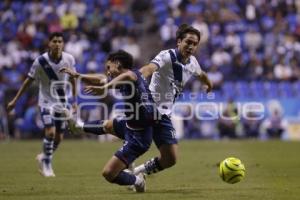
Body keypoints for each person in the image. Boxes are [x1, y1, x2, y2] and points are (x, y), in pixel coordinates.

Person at [60, 50, 155, 192]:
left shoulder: (132, 75)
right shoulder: (125, 78)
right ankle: (78, 127)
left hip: (139, 138)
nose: (108, 72)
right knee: (108, 124)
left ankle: (137, 180)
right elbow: (100, 79)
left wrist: (104, 88)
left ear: (117, 64)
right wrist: (78, 75)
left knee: (109, 173)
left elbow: (123, 77)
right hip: (129, 125)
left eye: (109, 67)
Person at [132, 24, 213, 176]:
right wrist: (136, 77)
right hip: (148, 108)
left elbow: (201, 74)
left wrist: (209, 84)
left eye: (194, 44)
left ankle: (139, 172)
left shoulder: (193, 63)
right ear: (179, 42)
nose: (191, 46)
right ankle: (83, 126)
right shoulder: (166, 56)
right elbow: (149, 68)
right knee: (129, 139)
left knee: (170, 159)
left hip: (164, 114)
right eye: (188, 42)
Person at [6, 32, 77, 177]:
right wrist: (14, 100)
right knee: (50, 132)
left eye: (60, 41)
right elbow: (28, 81)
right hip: (45, 101)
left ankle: (43, 155)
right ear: (49, 43)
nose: (57, 44)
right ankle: (47, 165)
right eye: (54, 41)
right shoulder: (40, 61)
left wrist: (74, 101)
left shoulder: (69, 59)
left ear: (63, 44)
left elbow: (73, 79)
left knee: (59, 138)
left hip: (61, 102)